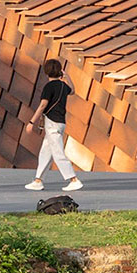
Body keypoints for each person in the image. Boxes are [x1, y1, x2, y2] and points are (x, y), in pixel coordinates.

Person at [23, 58, 83, 192]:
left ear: (46, 71)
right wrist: (66, 76)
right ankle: (38, 180)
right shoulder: (63, 85)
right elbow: (72, 90)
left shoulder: (48, 87)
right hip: (60, 122)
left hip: (52, 123)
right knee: (46, 151)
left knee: (57, 152)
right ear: (59, 71)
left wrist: (31, 122)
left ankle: (73, 179)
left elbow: (43, 105)